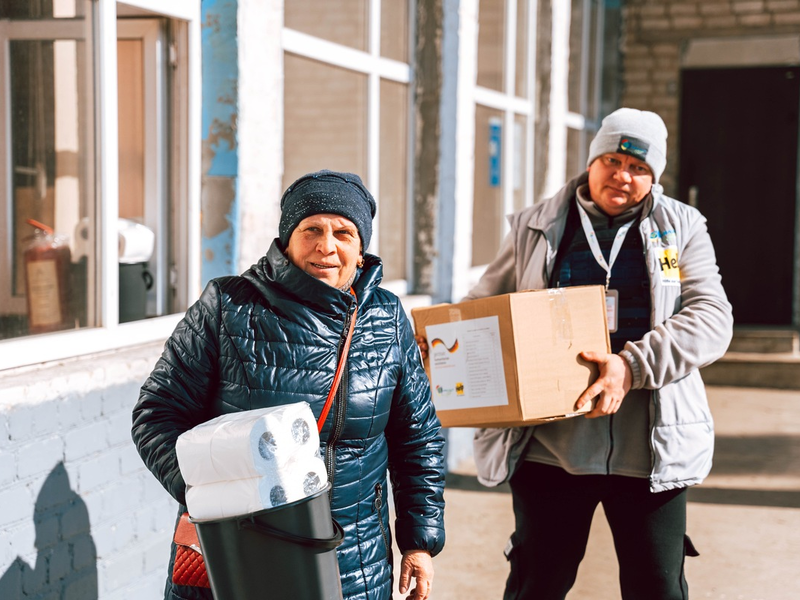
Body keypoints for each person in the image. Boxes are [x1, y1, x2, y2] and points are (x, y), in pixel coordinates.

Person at [424, 108, 732, 599]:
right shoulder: (536, 226)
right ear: (592, 161)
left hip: (650, 448)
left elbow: (712, 319)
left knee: (658, 588)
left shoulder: (682, 227)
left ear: (654, 177)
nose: (622, 175)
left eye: (638, 168)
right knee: (536, 585)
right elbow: (483, 304)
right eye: (612, 160)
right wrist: (442, 340)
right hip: (552, 449)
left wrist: (630, 367)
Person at [132, 170, 445, 600]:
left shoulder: (386, 318)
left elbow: (418, 438)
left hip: (355, 559)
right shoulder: (228, 306)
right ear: (286, 239)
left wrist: (419, 541)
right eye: (311, 229)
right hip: (240, 549)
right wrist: (212, 495)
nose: (326, 246)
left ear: (361, 250)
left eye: (343, 233)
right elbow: (157, 414)